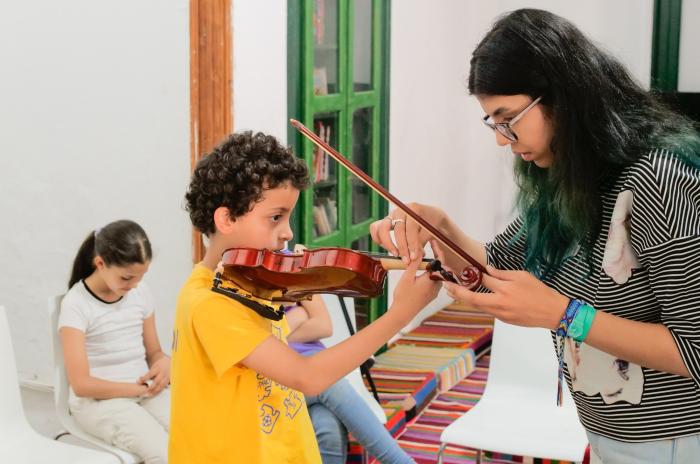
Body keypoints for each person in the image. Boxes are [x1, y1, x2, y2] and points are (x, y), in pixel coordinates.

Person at [370, 8, 700, 464]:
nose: (503, 141)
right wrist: (440, 227)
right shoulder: (565, 175)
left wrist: (565, 315)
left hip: (672, 440)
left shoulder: (655, 180)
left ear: (562, 95)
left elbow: (694, 351)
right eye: (494, 123)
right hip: (606, 429)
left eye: (509, 119)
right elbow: (493, 270)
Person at [169, 131, 440, 463]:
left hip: (286, 448)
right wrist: (399, 314)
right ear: (226, 219)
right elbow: (307, 377)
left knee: (328, 424)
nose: (288, 232)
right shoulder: (209, 304)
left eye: (288, 216)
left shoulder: (249, 284)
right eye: (275, 217)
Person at [59, 220, 170, 464]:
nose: (134, 286)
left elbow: (155, 352)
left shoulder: (139, 292)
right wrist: (139, 389)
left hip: (145, 391)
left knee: (196, 434)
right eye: (127, 278)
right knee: (165, 454)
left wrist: (164, 364)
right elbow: (81, 385)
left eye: (140, 278)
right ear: (100, 263)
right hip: (99, 402)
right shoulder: (76, 305)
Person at [285, 297, 415, 464]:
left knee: (327, 425)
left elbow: (324, 326)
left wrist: (286, 330)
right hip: (283, 374)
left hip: (317, 365)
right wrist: (300, 314)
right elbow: (265, 337)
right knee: (329, 384)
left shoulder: (301, 274)